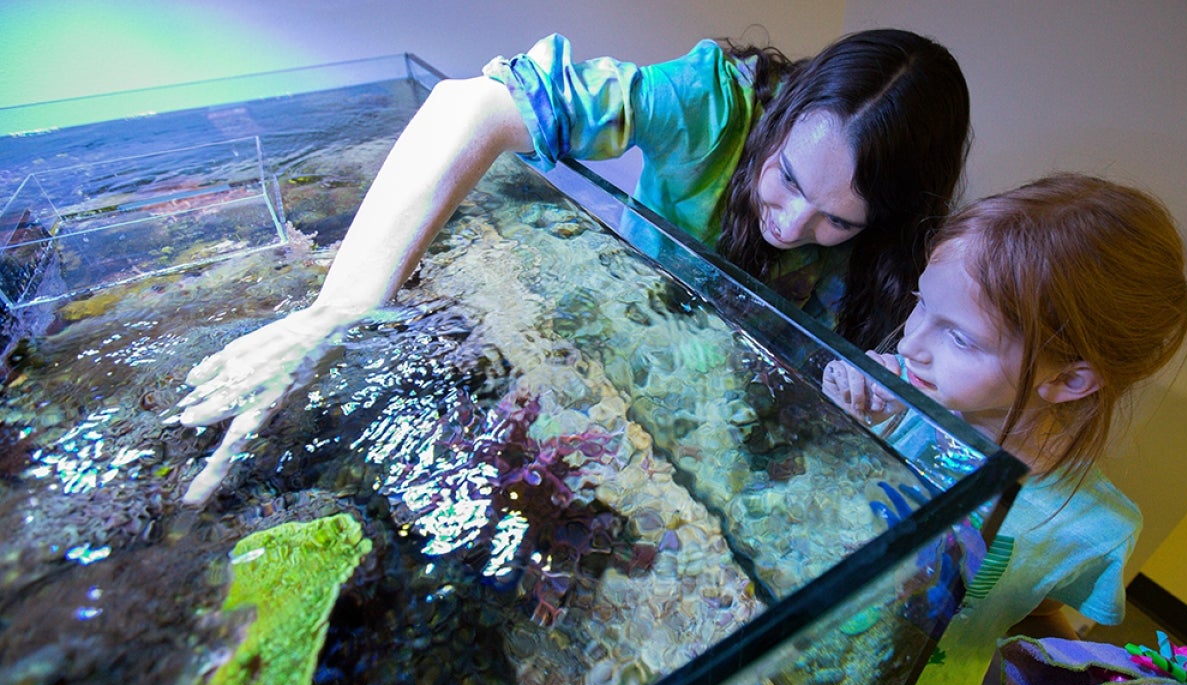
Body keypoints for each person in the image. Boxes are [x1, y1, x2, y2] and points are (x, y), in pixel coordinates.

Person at [175, 28, 971, 505]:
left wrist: (870, 382)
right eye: (788, 178)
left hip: (741, 425)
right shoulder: (708, 106)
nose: (794, 223)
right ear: (783, 114)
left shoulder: (903, 255)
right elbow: (472, 105)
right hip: (624, 365)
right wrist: (338, 311)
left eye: (839, 220)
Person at [820, 173, 1187, 685]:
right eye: (920, 303)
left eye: (960, 336)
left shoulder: (1096, 527)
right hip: (823, 674)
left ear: (1072, 381)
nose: (911, 340)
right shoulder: (901, 399)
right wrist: (843, 409)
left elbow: (1039, 613)